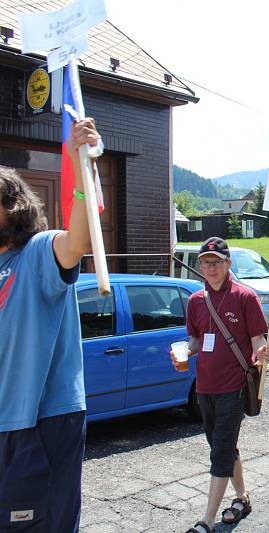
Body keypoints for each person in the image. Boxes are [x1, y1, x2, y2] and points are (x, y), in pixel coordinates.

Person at [0, 119, 101, 532]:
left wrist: (82, 168)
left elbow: (78, 241)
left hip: (38, 423)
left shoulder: (37, 253)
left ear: (12, 205)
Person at [175, 237, 269, 533]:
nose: (211, 267)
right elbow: (195, 339)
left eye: (217, 262)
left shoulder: (245, 297)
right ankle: (242, 498)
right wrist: (183, 352)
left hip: (234, 386)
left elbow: (257, 340)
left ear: (228, 263)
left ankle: (207, 520)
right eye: (206, 262)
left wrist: (263, 352)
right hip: (204, 386)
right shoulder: (195, 301)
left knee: (220, 451)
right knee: (223, 446)